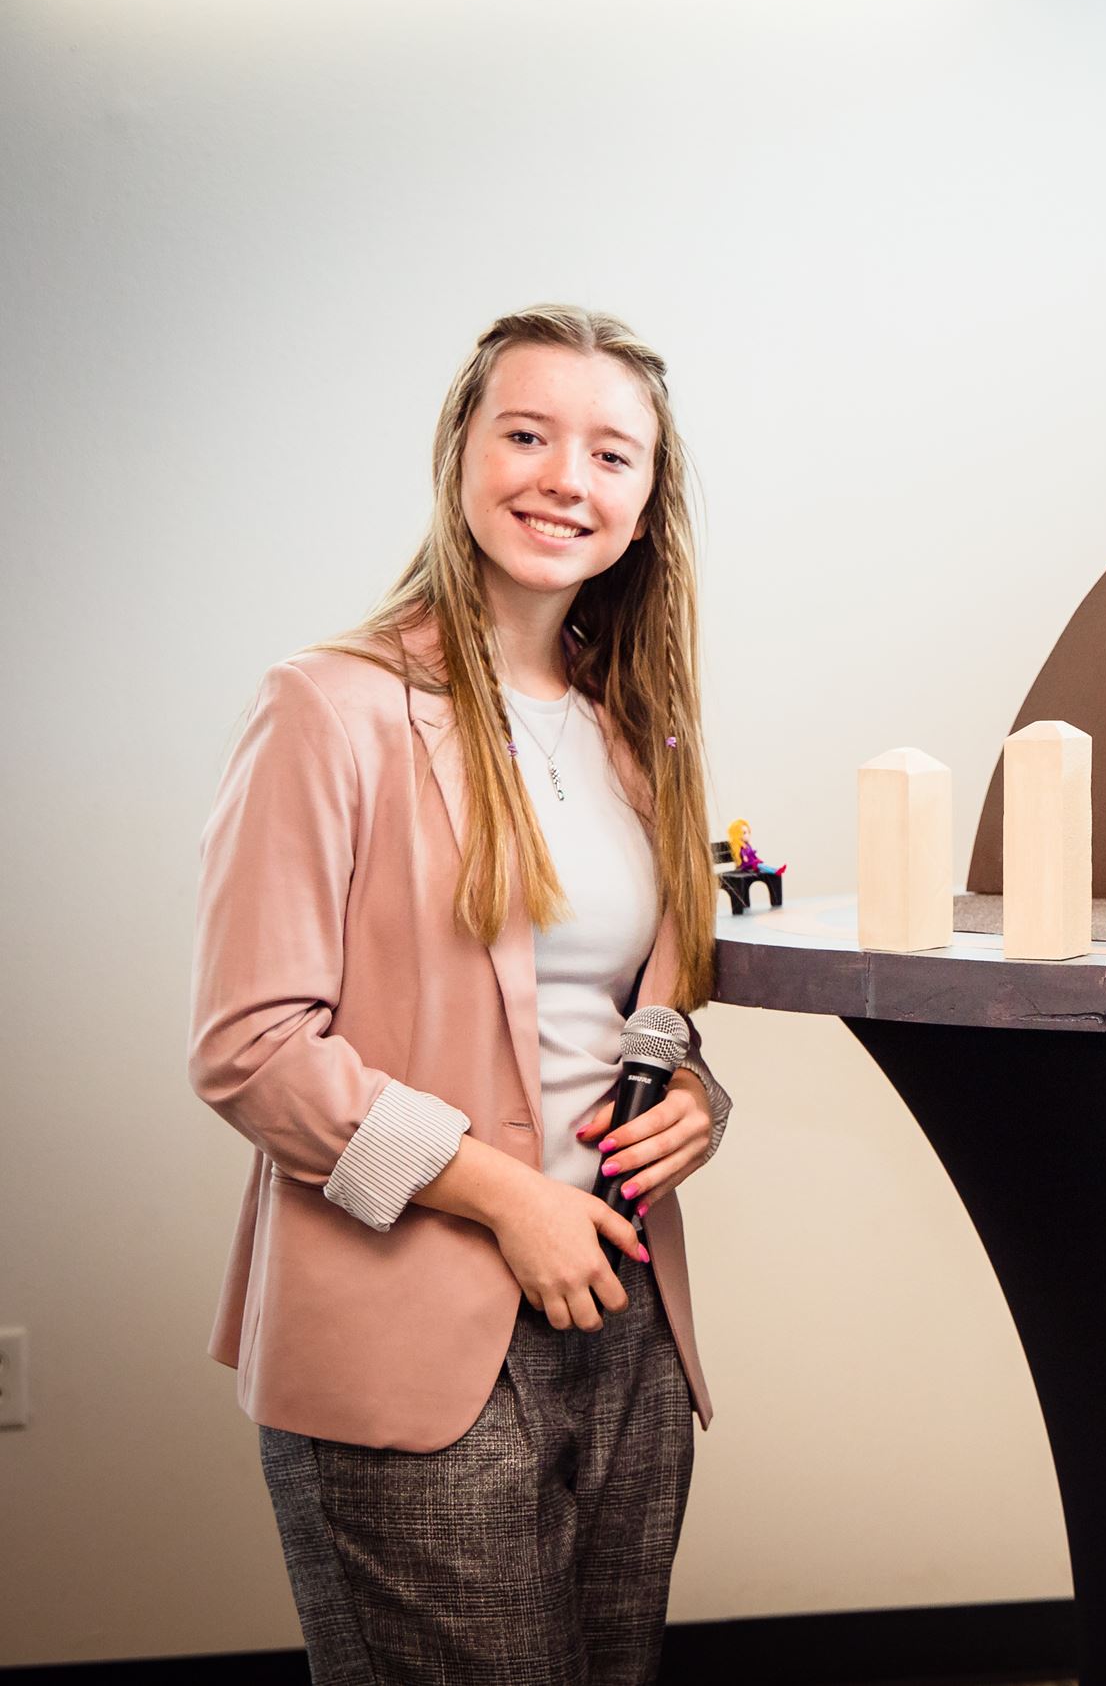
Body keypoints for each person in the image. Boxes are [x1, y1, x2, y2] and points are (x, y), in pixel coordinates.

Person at [190, 305, 733, 1684]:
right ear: (462, 453)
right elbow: (253, 1046)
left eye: (614, 454)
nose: (569, 477)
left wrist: (693, 1098)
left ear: (646, 500)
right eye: (531, 434)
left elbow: (626, 1007)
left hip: (623, 1326)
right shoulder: (332, 704)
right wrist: (507, 1196)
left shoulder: (637, 731)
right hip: (411, 1337)